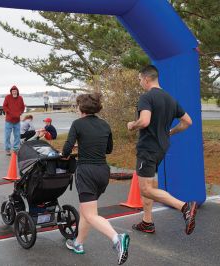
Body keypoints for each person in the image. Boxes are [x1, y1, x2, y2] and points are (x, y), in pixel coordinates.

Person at [127, 65, 196, 235]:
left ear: (147, 79)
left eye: (140, 80)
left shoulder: (147, 97)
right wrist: (171, 131)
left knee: (145, 189)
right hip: (161, 147)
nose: (140, 83)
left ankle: (185, 207)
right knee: (147, 184)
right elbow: (188, 121)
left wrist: (132, 125)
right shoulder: (170, 99)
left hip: (148, 148)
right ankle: (147, 222)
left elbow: (144, 121)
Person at [62, 93, 130, 265]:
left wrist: (65, 155)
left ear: (82, 108)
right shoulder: (105, 125)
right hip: (103, 172)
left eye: (77, 106)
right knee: (87, 210)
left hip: (86, 171)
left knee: (91, 214)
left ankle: (117, 239)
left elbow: (66, 149)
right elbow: (108, 150)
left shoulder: (77, 124)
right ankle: (78, 243)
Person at [3, 85, 25, 155]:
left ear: (17, 91)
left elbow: (22, 107)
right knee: (7, 136)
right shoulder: (7, 97)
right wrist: (9, 112)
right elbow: (4, 106)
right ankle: (7, 149)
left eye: (15, 91)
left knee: (17, 135)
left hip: (17, 121)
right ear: (11, 92)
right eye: (13, 91)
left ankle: (15, 149)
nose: (14, 92)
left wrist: (20, 113)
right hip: (9, 120)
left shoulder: (20, 98)